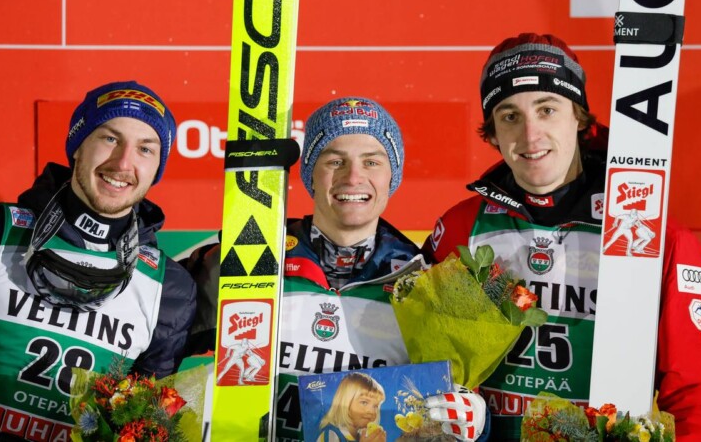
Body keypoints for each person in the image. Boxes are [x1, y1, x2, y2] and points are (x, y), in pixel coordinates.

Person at [423, 32, 701, 440]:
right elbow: (427, 377)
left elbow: (699, 396)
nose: (530, 135)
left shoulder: (652, 236)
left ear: (580, 118)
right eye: (510, 116)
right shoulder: (462, 228)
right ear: (492, 133)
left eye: (547, 109)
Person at [184, 97, 489, 441]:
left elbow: (448, 407)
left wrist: (475, 419)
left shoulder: (424, 282)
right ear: (310, 173)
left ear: (393, 176)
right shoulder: (249, 258)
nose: (353, 177)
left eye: (372, 162)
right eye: (335, 160)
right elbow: (158, 340)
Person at [0, 81, 196, 440]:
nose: (123, 164)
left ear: (157, 166)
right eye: (110, 139)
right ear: (77, 146)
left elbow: (143, 424)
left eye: (145, 149)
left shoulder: (169, 287)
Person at [317, 372, 386, 442]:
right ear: (345, 403)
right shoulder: (331, 435)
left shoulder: (362, 437)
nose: (371, 411)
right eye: (364, 402)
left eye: (375, 406)